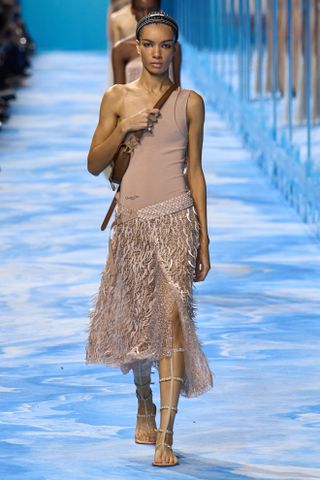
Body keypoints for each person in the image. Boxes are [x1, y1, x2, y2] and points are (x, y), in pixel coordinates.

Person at [86, 11, 213, 467]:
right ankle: (144, 402)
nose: (157, 53)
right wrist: (125, 128)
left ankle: (167, 434)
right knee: (140, 322)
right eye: (150, 45)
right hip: (134, 224)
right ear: (135, 49)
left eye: (166, 45)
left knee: (174, 320)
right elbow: (94, 163)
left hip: (178, 221)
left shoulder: (191, 103)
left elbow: (195, 172)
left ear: (174, 49)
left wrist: (205, 239)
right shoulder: (117, 98)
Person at [112, 0, 181, 85]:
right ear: (133, 10)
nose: (146, 15)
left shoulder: (174, 46)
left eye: (152, 10)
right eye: (141, 10)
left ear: (159, 10)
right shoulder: (120, 49)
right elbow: (118, 93)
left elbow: (177, 87)